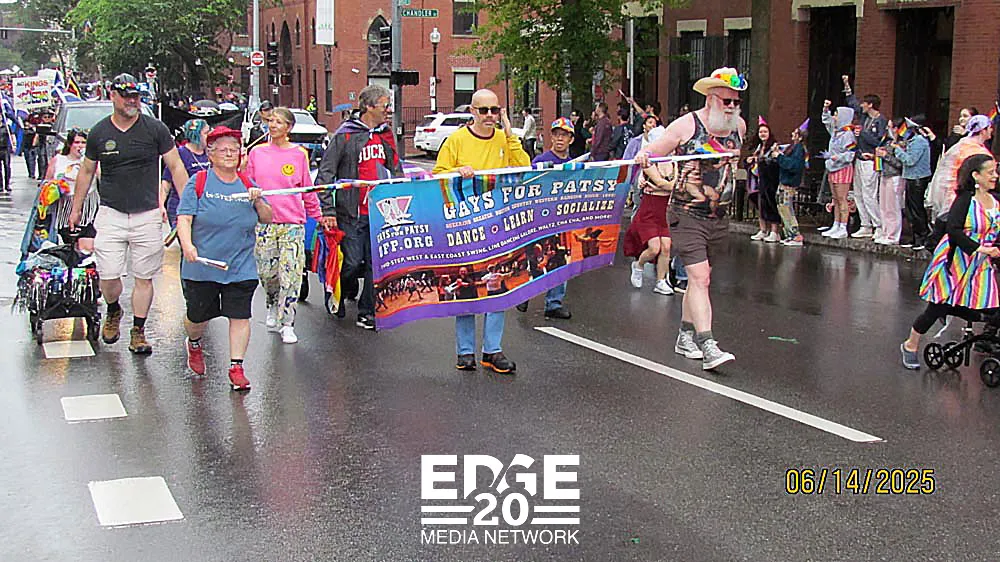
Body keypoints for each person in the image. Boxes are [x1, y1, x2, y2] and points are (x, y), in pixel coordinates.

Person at [69, 73, 190, 354]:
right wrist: (76, 209)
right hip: (111, 212)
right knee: (108, 275)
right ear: (113, 96)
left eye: (135, 96)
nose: (132, 101)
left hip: (147, 214)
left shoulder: (155, 129)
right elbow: (86, 171)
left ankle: (138, 330)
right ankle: (113, 308)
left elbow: (176, 166)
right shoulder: (99, 132)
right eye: (126, 96)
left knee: (144, 277)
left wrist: (187, 206)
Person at [635, 67, 746, 371]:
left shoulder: (739, 127)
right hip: (686, 215)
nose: (732, 107)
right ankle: (708, 345)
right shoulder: (687, 125)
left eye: (736, 102)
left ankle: (684, 337)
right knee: (699, 278)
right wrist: (646, 157)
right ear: (710, 98)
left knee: (700, 280)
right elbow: (653, 152)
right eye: (726, 101)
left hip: (718, 217)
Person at [433, 89, 529, 373]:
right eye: (484, 110)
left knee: (497, 284)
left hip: (497, 224)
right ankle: (465, 352)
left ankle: (492, 350)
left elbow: (524, 166)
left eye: (494, 110)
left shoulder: (503, 138)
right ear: (472, 112)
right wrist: (458, 171)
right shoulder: (456, 140)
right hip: (466, 226)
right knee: (467, 286)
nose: (489, 116)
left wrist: (510, 133)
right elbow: (438, 174)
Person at [176, 126, 273, 391]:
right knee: (197, 318)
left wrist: (259, 200)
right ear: (210, 154)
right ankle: (194, 343)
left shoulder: (248, 184)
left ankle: (236, 367)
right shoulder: (198, 182)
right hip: (202, 267)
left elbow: (267, 217)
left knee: (240, 315)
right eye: (223, 150)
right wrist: (188, 246)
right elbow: (184, 218)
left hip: (240, 265)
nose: (230, 154)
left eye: (234, 150)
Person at [316, 84, 403, 329]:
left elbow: (396, 169)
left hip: (380, 212)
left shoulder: (386, 134)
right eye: (385, 105)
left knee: (376, 265)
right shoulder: (345, 135)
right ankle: (338, 290)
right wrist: (328, 211)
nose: (388, 110)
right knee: (352, 262)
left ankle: (367, 312)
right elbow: (325, 175)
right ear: (369, 106)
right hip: (351, 212)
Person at [900, 154, 999, 369]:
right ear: (976, 175)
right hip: (956, 260)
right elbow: (953, 230)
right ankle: (910, 345)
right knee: (936, 307)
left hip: (981, 263)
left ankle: (972, 327)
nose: (995, 176)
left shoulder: (996, 201)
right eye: (990, 172)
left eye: (995, 171)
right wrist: (979, 248)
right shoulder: (965, 200)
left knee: (990, 309)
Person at [246, 106, 329, 344]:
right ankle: (272, 302)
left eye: (279, 122)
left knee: (291, 274)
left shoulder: (299, 154)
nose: (273, 125)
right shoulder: (257, 152)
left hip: (292, 224)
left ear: (289, 128)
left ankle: (288, 322)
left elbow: (307, 189)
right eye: (271, 121)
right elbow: (247, 182)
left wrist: (318, 215)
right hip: (265, 224)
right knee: (268, 273)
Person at [517, 117, 575, 319]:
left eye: (564, 135)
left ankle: (554, 303)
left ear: (571, 139)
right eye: (556, 134)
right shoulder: (540, 162)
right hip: (540, 219)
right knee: (536, 258)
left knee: (561, 259)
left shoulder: (575, 165)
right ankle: (525, 293)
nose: (560, 139)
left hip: (564, 219)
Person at [926, 114, 994, 246]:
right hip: (964, 197)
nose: (992, 130)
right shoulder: (975, 150)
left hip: (952, 195)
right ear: (982, 130)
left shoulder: (962, 144)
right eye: (989, 127)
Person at [625, 127, 676, 295]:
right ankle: (638, 265)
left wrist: (668, 186)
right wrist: (669, 186)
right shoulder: (648, 162)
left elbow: (673, 184)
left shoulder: (674, 161)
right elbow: (662, 183)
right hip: (648, 211)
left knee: (666, 247)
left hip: (663, 212)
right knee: (654, 247)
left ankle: (661, 281)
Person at [842, 75, 887, 239]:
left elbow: (879, 141)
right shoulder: (864, 116)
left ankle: (878, 225)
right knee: (859, 193)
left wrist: (863, 134)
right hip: (860, 158)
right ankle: (865, 224)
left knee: (869, 194)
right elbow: (853, 103)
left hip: (871, 160)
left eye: (864, 103)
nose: (862, 105)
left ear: (871, 105)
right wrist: (847, 85)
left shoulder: (881, 121)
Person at [43, 129, 99, 252]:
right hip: (65, 207)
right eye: (77, 142)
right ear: (70, 144)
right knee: (69, 247)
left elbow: (102, 178)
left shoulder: (92, 161)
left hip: (88, 206)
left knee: (86, 246)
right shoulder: (58, 160)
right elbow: (46, 183)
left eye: (83, 143)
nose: (80, 146)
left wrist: (91, 160)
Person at [161, 119, 210, 228]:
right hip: (180, 207)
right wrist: (161, 204)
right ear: (196, 135)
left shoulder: (210, 153)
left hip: (204, 207)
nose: (209, 136)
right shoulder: (180, 153)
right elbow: (166, 181)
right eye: (206, 133)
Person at [892, 116, 932, 249]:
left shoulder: (919, 141)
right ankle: (915, 237)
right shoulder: (913, 141)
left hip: (917, 179)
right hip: (911, 178)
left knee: (916, 209)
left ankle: (922, 237)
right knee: (910, 209)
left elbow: (910, 160)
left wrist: (897, 150)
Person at [820, 101, 856, 239]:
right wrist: (826, 109)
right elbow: (826, 121)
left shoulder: (848, 134)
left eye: (836, 115)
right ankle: (836, 224)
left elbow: (850, 154)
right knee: (835, 199)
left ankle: (843, 226)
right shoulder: (836, 132)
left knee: (842, 199)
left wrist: (837, 157)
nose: (834, 117)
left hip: (842, 168)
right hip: (832, 168)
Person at [746, 121, 781, 242]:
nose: (763, 134)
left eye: (765, 131)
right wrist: (750, 160)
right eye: (761, 132)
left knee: (771, 204)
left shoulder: (774, 147)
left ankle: (774, 231)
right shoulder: (758, 147)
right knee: (761, 205)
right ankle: (763, 230)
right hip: (758, 180)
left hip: (770, 180)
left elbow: (776, 162)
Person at [873, 118, 906, 246]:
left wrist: (885, 156)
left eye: (890, 127)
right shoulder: (887, 142)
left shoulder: (901, 144)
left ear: (896, 129)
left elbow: (900, 164)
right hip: (884, 175)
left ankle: (893, 235)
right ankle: (885, 231)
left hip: (895, 176)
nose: (888, 129)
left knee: (893, 207)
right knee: (884, 206)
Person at [776, 126, 808, 246]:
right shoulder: (794, 148)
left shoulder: (798, 149)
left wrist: (779, 157)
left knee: (786, 209)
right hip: (785, 181)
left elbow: (793, 166)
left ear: (799, 137)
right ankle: (789, 234)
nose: (792, 134)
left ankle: (795, 235)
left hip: (789, 183)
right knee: (783, 208)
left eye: (795, 133)